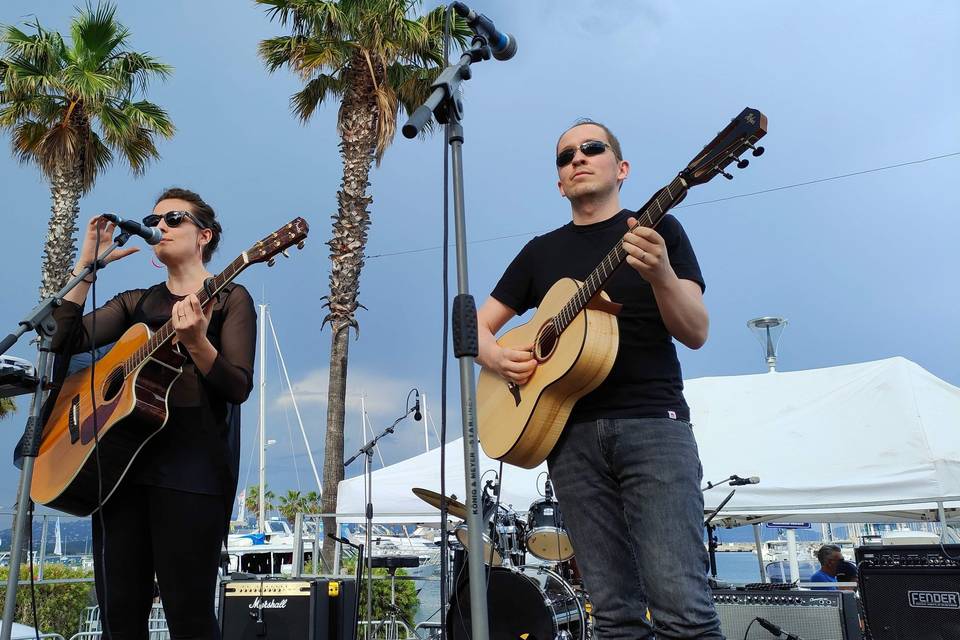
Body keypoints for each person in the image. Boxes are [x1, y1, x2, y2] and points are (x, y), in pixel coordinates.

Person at [476, 120, 722, 639]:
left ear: (621, 168)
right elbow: (472, 326)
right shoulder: (540, 253)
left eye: (592, 148)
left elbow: (695, 330)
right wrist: (498, 359)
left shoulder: (660, 232)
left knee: (685, 613)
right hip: (568, 436)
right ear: (560, 183)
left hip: (654, 425)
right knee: (613, 617)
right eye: (565, 157)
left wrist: (660, 275)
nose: (577, 159)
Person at [51, 188, 256, 639]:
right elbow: (60, 340)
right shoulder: (135, 303)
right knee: (118, 621)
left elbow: (237, 386)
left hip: (192, 478)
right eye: (154, 219)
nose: (158, 227)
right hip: (119, 477)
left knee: (190, 617)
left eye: (173, 219)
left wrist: (199, 343)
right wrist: (87, 266)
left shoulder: (229, 299)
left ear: (204, 235)